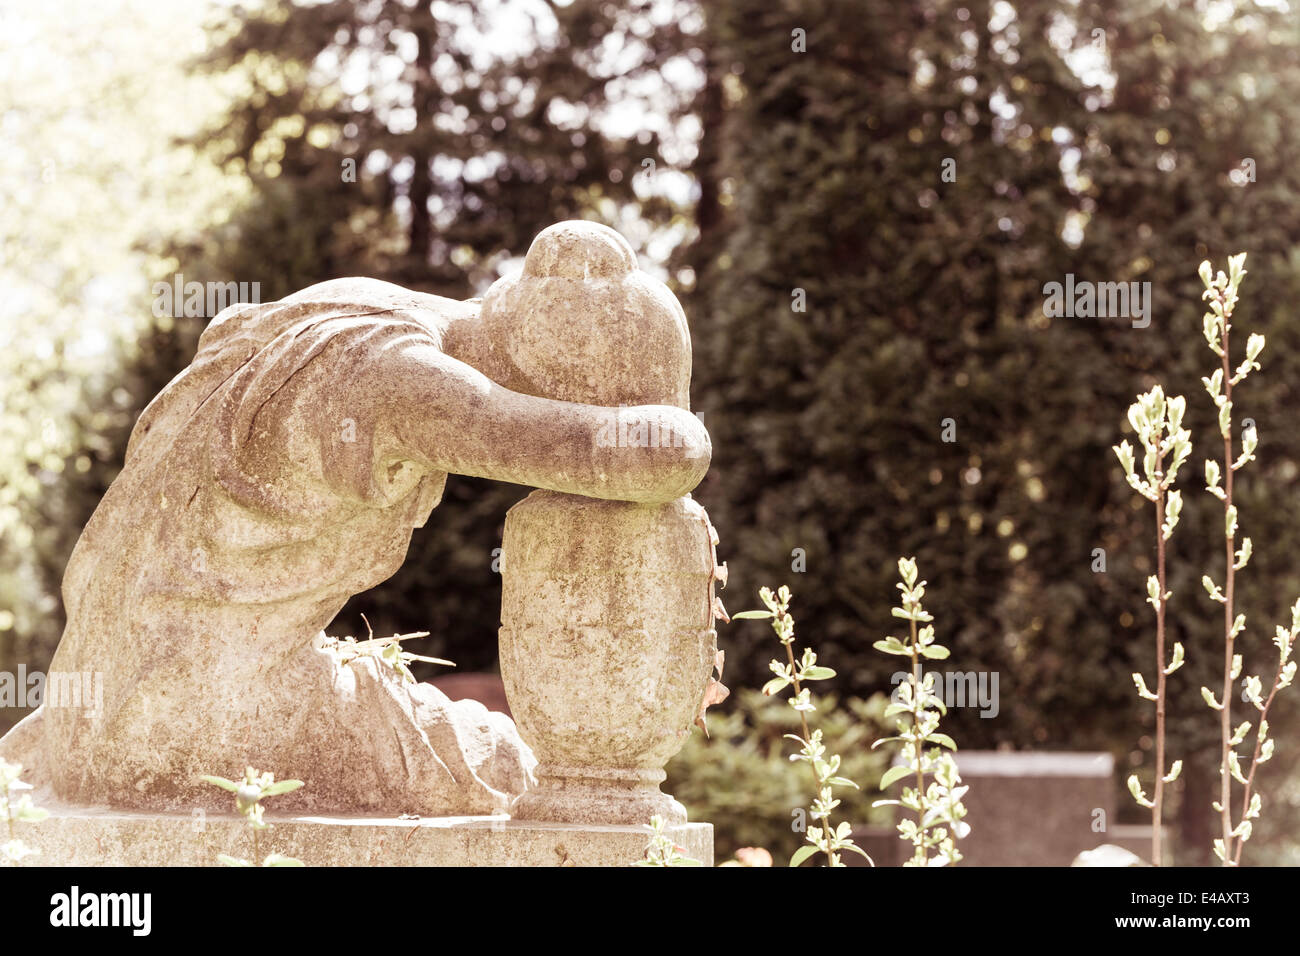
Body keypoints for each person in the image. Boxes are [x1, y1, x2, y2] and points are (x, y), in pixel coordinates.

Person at [0, 221, 710, 814]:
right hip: (191, 727)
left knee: (444, 729)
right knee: (496, 762)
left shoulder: (357, 306)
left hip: (96, 707)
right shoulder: (393, 376)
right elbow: (641, 457)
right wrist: (663, 432)